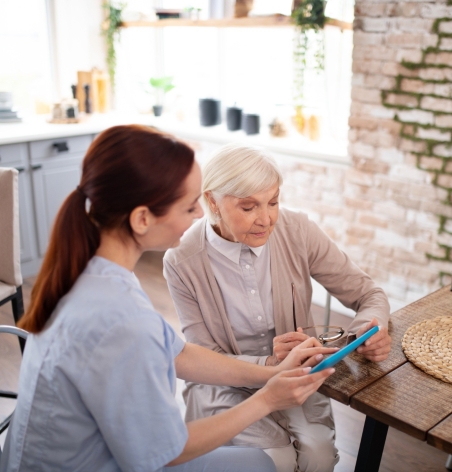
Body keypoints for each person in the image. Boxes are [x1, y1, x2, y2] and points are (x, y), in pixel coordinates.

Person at [0, 126, 338, 472]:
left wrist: (272, 370)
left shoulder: (95, 273)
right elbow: (164, 451)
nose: (198, 218)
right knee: (265, 466)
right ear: (142, 218)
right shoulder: (120, 320)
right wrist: (268, 399)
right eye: (190, 207)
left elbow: (179, 353)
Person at [163, 144, 392, 472]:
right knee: (277, 459)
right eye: (249, 206)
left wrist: (369, 331)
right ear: (212, 201)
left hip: (298, 374)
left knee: (319, 454)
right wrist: (270, 362)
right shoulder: (182, 261)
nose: (266, 218)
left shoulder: (297, 230)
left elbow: (370, 294)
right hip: (225, 383)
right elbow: (203, 358)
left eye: (273, 202)